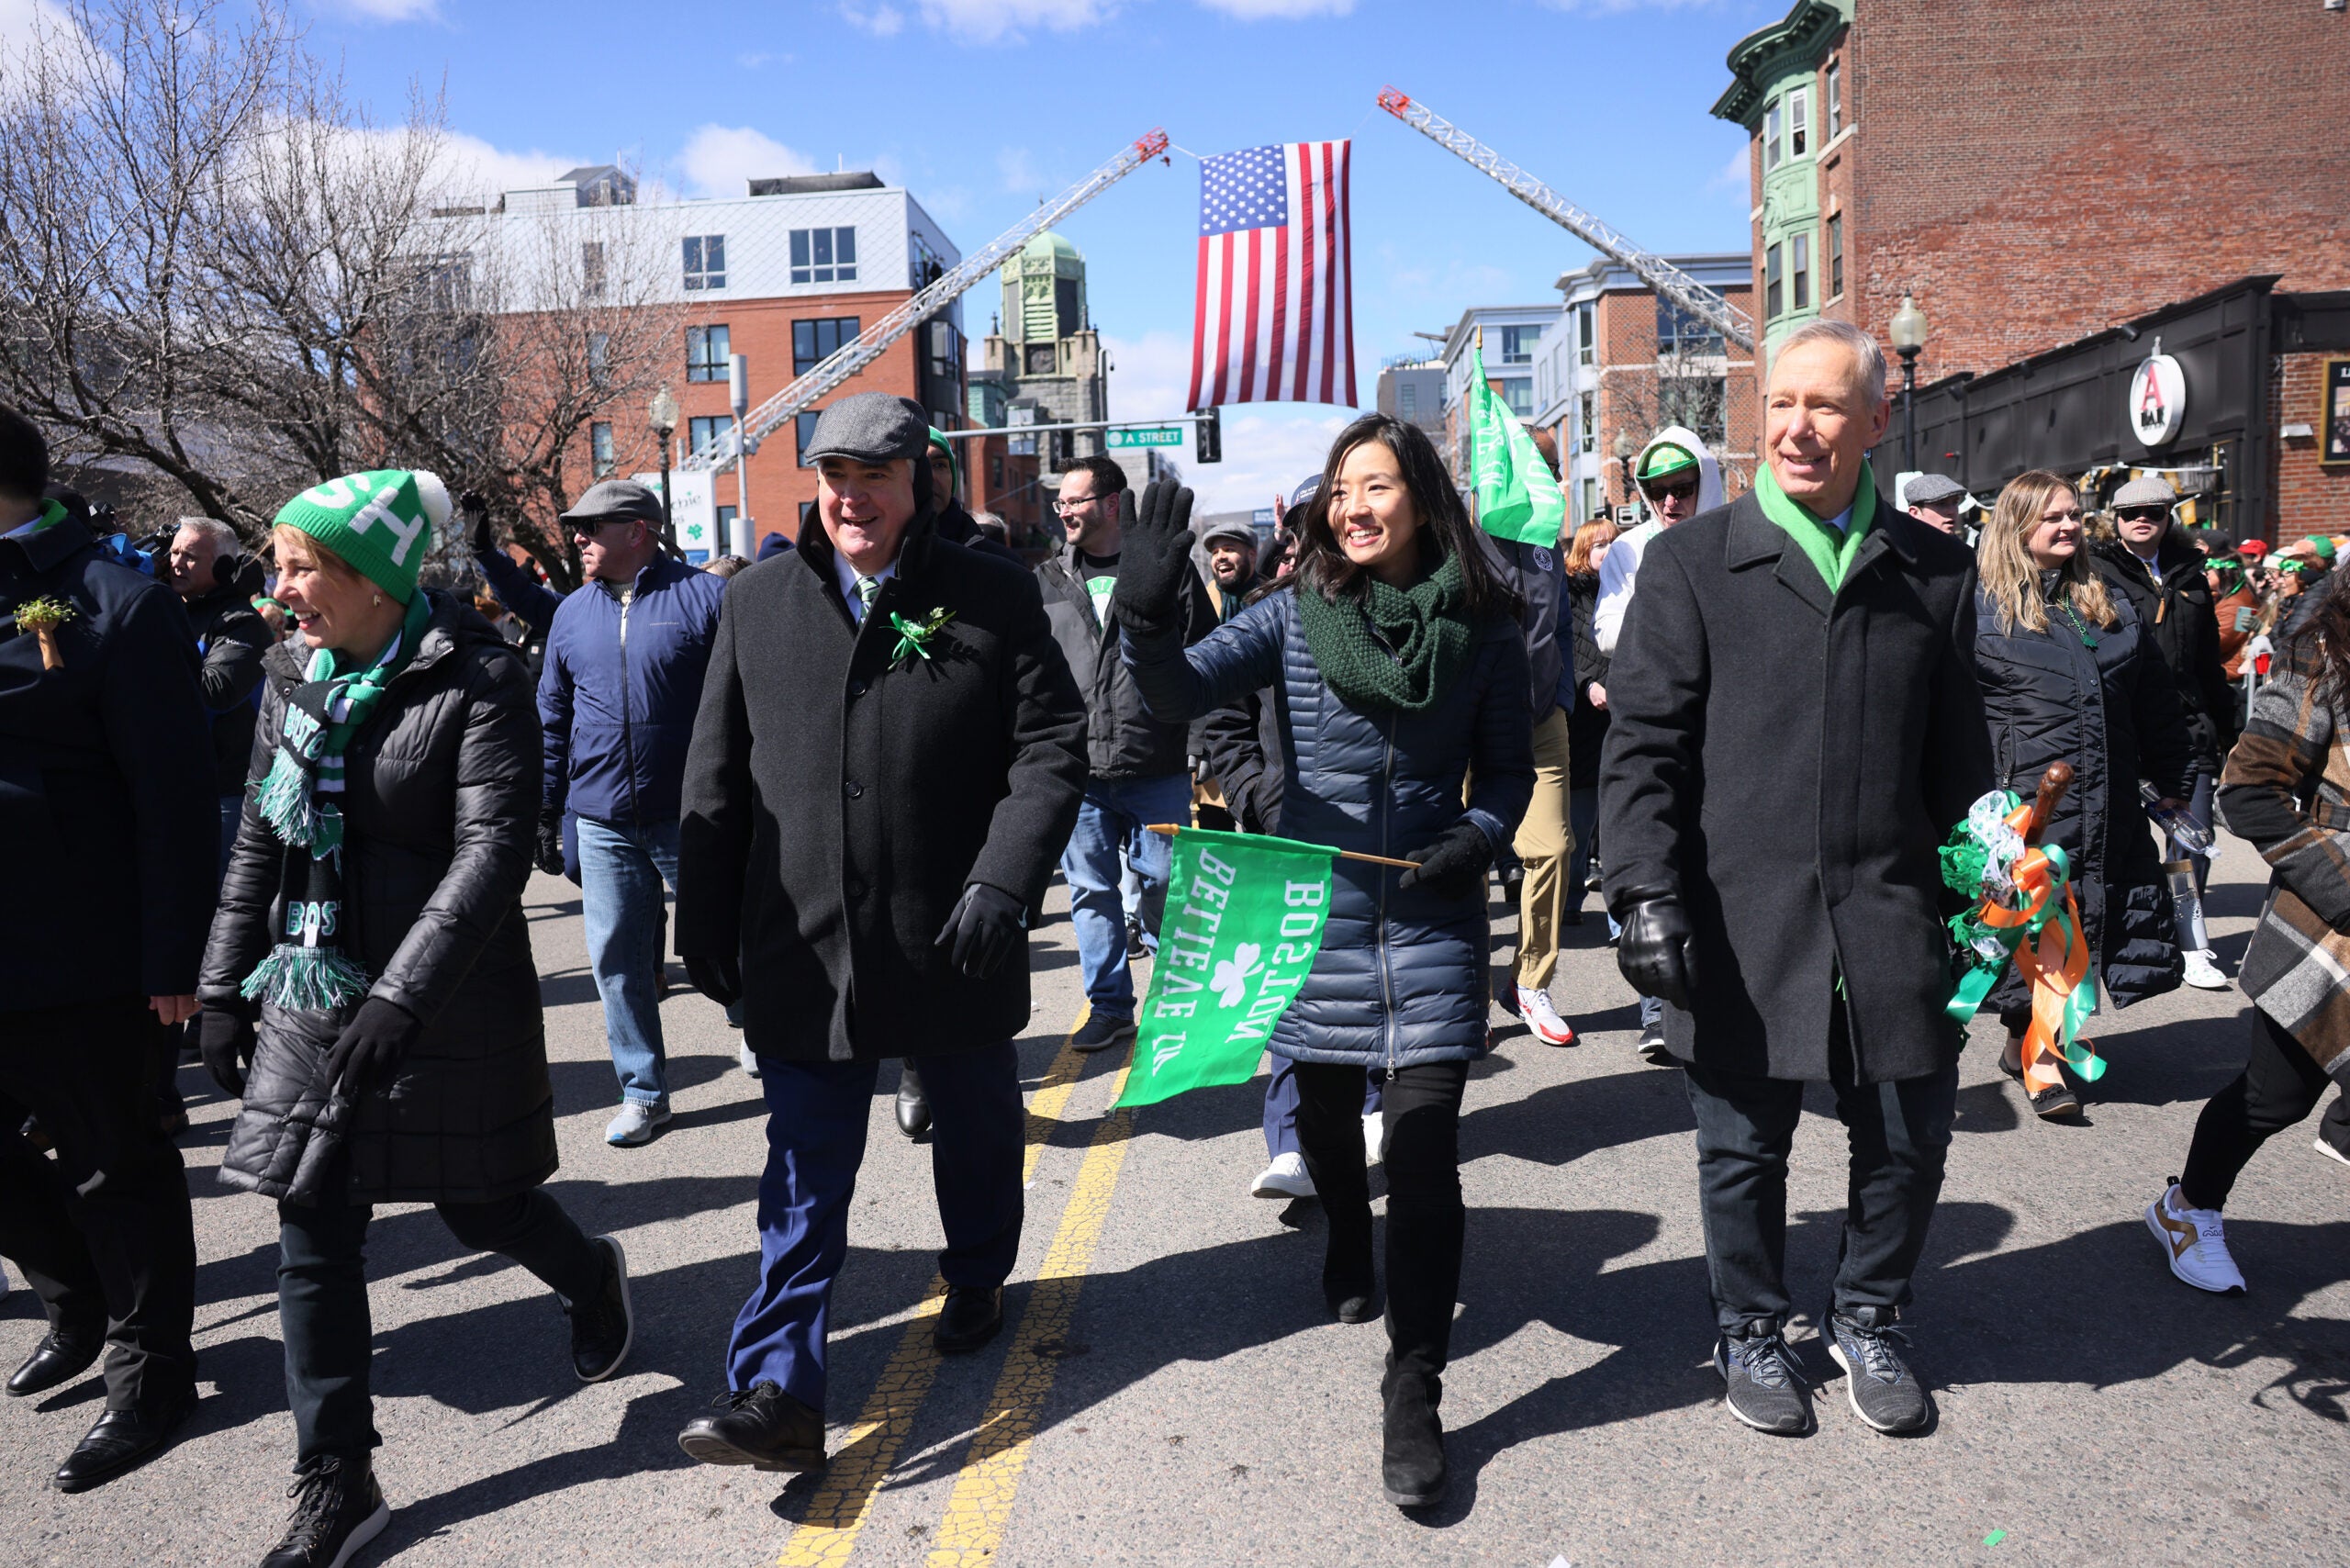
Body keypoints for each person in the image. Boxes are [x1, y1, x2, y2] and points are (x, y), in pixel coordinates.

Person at [198, 468, 631, 1567]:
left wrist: (401, 995)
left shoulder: (481, 676)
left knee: (480, 1206)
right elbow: (262, 836)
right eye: (277, 564)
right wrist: (218, 982)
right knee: (312, 1226)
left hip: (446, 991)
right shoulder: (288, 671)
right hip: (310, 982)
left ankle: (593, 1277)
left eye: (299, 567)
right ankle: (337, 1476)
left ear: (373, 579)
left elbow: (491, 855)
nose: (280, 588)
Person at [1116, 414, 1534, 1510]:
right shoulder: (1294, 613)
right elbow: (1172, 695)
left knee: (1426, 1142)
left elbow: (1507, 775)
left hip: (1433, 913)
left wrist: (1477, 837)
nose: (1352, 506)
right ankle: (1348, 1227)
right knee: (1325, 1113)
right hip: (1319, 905)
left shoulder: (1488, 623)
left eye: (1375, 485)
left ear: (1421, 497)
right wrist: (1145, 605)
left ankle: (1415, 1384)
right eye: (1340, 488)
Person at [671, 392, 1086, 1478]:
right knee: (803, 1170)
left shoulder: (992, 594)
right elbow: (715, 773)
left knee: (977, 1127)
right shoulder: (758, 599)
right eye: (834, 476)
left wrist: (1006, 878)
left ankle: (981, 1268)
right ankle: (777, 1389)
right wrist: (703, 916)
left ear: (920, 486)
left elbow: (1050, 745)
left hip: (952, 934)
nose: (852, 496)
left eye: (876, 476)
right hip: (805, 946)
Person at [1601, 319, 1993, 1439]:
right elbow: (1642, 751)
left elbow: (1960, 762)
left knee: (1911, 1138)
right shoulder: (1688, 563)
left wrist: (1993, 899)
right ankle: (1750, 1327)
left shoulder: (1935, 572)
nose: (1798, 427)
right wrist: (1641, 891)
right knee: (1740, 1146)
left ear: (1877, 420)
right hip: (1738, 914)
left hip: (1889, 907)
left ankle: (1869, 1310)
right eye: (1781, 403)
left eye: (1826, 406)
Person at [0, 404, 211, 1493]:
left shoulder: (115, 604)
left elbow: (175, 804)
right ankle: (78, 1304)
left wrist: (176, 959)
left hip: (82, 958)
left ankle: (153, 1375)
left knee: (115, 1167)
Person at [1975, 470, 2196, 1117]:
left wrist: (2178, 781)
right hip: (2024, 810)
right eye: (2052, 518)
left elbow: (2156, 702)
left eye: (2074, 514)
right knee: (2043, 929)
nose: (2069, 526)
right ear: (2017, 527)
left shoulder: (2109, 602)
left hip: (2108, 803)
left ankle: (2031, 1037)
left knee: (2087, 927)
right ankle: (2043, 1063)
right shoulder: (1979, 608)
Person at [2155, 586, 2350, 1294]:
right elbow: (2251, 793)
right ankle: (2187, 1209)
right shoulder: (2323, 647)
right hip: (2333, 924)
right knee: (2273, 1100)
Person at [537, 478, 731, 1141]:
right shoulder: (570, 614)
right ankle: (644, 1092)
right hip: (601, 820)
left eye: (592, 527)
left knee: (724, 944)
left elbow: (746, 705)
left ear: (638, 531)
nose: (579, 539)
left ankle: (759, 1034)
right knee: (617, 961)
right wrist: (548, 809)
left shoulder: (707, 598)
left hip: (694, 815)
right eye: (577, 528)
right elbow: (552, 719)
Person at [1035, 454, 1216, 1054]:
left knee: (1164, 881)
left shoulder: (1171, 572)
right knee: (1091, 891)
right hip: (1080, 770)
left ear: (1111, 503)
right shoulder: (1046, 580)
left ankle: (1171, 1004)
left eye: (1075, 500)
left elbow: (1208, 658)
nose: (1063, 510)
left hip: (1157, 760)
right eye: (1060, 501)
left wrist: (1197, 746)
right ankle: (1110, 1007)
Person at [1594, 424, 1726, 1065]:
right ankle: (1657, 1010)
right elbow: (1609, 632)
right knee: (1647, 855)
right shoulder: (1631, 548)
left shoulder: (1743, 539)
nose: (1670, 503)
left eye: (1683, 488)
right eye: (1656, 492)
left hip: (1726, 733)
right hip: (1652, 724)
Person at [2092, 475, 2236, 991]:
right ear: (2116, 520)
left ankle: (2192, 943)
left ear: (2169, 515)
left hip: (2186, 732)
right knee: (2111, 845)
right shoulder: (2091, 571)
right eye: (2131, 513)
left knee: (2191, 843)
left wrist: (2231, 726)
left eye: (2153, 510)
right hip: (2119, 731)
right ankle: (2103, 944)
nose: (2142, 519)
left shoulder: (2192, 574)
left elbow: (2207, 665)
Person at [165, 516, 274, 876]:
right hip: (168, 780)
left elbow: (216, 690)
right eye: (175, 552)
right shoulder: (167, 607)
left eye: (191, 557)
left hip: (221, 794)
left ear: (224, 567)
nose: (177, 562)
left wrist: (152, 644)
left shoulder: (243, 622)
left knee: (212, 900)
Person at [1562, 518, 1617, 929]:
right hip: (1582, 721)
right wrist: (1588, 685)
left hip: (1621, 715)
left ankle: (1622, 919)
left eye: (1613, 543)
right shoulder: (1568, 593)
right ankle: (1570, 899)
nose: (1607, 550)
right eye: (1599, 545)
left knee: (1621, 820)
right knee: (1579, 824)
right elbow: (1564, 652)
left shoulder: (1626, 590)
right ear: (1583, 550)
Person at [1901, 473, 1968, 537]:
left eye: (1955, 502)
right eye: (1941, 504)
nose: (1952, 511)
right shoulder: (1902, 547)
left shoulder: (1963, 548)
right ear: (1915, 513)